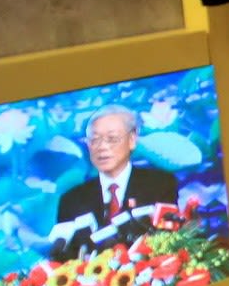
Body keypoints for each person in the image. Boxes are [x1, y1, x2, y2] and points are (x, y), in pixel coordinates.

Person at [52, 105, 181, 249]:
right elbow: (64, 258)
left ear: (132, 139)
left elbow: (171, 241)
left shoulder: (160, 184)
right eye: (94, 140)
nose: (102, 147)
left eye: (112, 138)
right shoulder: (70, 200)